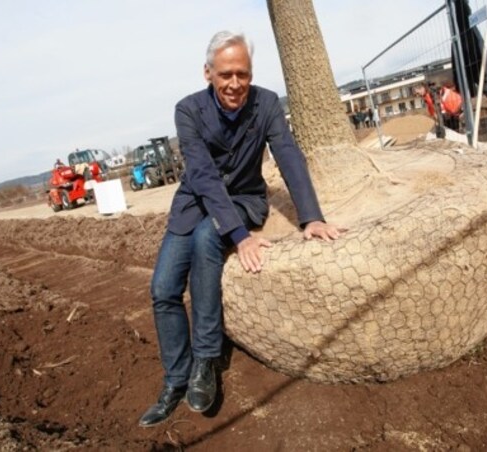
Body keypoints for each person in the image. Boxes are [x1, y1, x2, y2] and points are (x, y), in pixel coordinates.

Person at [138, 30, 343, 427]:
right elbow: (201, 174)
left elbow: (287, 154)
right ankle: (174, 382)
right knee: (162, 289)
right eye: (226, 74)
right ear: (208, 74)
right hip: (195, 201)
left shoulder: (266, 104)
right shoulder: (187, 110)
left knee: (205, 242)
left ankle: (205, 361)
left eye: (243, 74)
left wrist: (310, 216)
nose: (235, 84)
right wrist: (239, 236)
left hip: (243, 200)